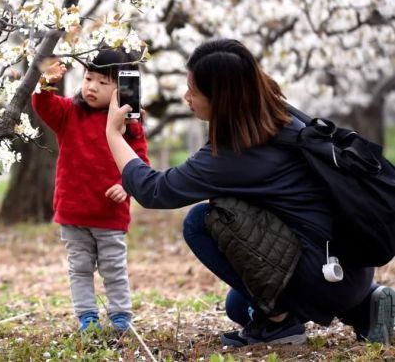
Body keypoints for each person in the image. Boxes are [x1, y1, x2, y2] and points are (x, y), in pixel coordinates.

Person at [104, 38, 395, 346]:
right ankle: (365, 304)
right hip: (349, 268)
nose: (185, 96)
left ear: (221, 98)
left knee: (200, 220)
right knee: (238, 307)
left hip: (324, 277)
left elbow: (154, 191)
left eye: (194, 90)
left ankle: (281, 324)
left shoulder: (234, 153)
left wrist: (112, 134)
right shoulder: (277, 114)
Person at [31, 49, 150, 332]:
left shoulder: (129, 125)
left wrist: (126, 186)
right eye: (88, 78)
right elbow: (42, 105)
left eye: (103, 82)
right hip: (73, 211)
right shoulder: (69, 113)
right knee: (80, 268)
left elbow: (141, 162)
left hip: (110, 214)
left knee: (114, 269)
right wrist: (45, 83)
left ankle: (120, 316)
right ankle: (87, 317)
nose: (92, 87)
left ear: (121, 88)